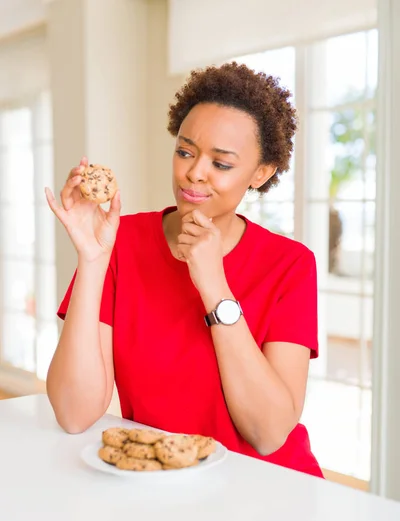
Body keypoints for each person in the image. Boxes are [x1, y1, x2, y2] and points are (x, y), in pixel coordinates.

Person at [45, 62, 323, 478]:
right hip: (162, 485)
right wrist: (92, 260)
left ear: (260, 174)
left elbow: (268, 435)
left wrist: (214, 285)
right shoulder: (120, 242)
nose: (194, 172)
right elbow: (73, 414)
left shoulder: (290, 265)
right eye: (185, 151)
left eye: (222, 164)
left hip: (268, 489)